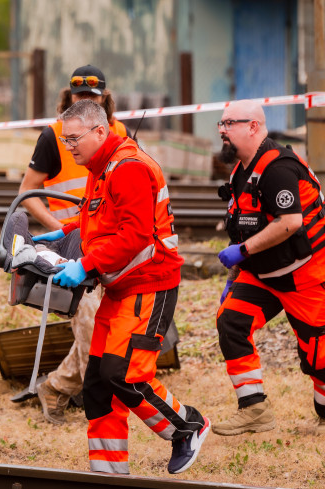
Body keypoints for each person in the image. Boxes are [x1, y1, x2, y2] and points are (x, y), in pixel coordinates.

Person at [37, 99, 209, 475]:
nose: (69, 147)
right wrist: (63, 234)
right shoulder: (103, 167)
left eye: (74, 139)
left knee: (124, 374)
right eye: (65, 141)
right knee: (98, 383)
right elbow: (100, 220)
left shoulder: (127, 168)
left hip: (149, 285)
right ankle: (108, 473)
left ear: (101, 132)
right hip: (121, 288)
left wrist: (85, 264)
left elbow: (133, 235)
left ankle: (187, 426)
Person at [213, 99, 325, 437]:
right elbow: (246, 225)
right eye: (221, 124)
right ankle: (254, 409)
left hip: (308, 273)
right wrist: (236, 274)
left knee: (315, 354)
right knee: (231, 321)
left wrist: (240, 251)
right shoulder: (241, 169)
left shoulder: (277, 169)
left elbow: (290, 223)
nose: (222, 131)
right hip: (265, 273)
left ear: (254, 126)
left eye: (230, 124)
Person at [17, 64, 131, 425]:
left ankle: (56, 387)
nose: (85, 102)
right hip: (75, 250)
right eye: (79, 97)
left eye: (92, 98)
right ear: (69, 98)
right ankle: (98, 401)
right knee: (91, 325)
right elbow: (27, 194)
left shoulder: (120, 133)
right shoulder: (54, 136)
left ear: (105, 101)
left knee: (100, 325)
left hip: (112, 245)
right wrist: (61, 229)